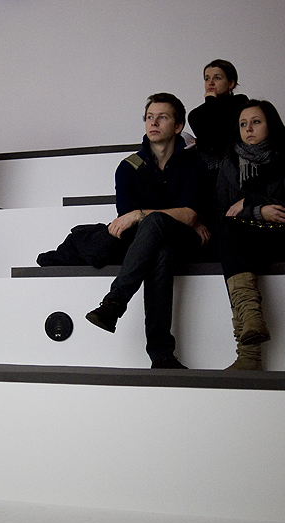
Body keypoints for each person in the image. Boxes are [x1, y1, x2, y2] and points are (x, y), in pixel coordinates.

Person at [85, 93, 215, 369]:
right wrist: (152, 216)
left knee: (154, 223)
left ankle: (114, 303)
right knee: (161, 250)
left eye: (162, 117)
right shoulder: (128, 167)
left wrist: (140, 214)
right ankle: (162, 355)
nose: (153, 122)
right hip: (152, 244)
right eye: (149, 117)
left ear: (178, 126)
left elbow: (190, 215)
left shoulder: (194, 162)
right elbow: (130, 223)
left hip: (188, 240)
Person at [217, 100, 285, 370]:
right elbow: (223, 214)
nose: (248, 128)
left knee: (233, 242)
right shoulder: (229, 165)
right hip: (246, 242)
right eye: (243, 124)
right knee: (228, 232)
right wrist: (260, 210)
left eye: (256, 122)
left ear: (270, 124)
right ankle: (251, 326)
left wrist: (252, 205)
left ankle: (248, 355)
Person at [187, 60, 249, 172]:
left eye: (217, 78)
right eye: (207, 79)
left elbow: (224, 137)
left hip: (239, 167)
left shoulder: (241, 103)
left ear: (231, 84)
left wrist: (211, 101)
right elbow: (212, 143)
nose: (211, 83)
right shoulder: (195, 114)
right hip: (210, 170)